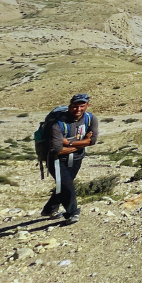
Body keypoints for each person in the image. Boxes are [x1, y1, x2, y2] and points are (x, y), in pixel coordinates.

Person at [41, 94, 98, 224]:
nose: (78, 109)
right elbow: (57, 150)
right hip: (56, 160)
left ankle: (49, 209)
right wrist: (83, 142)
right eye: (75, 106)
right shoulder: (58, 124)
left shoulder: (91, 119)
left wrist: (69, 143)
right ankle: (72, 213)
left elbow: (93, 141)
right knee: (67, 185)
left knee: (64, 185)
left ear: (87, 106)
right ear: (69, 107)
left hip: (77, 158)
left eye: (82, 106)